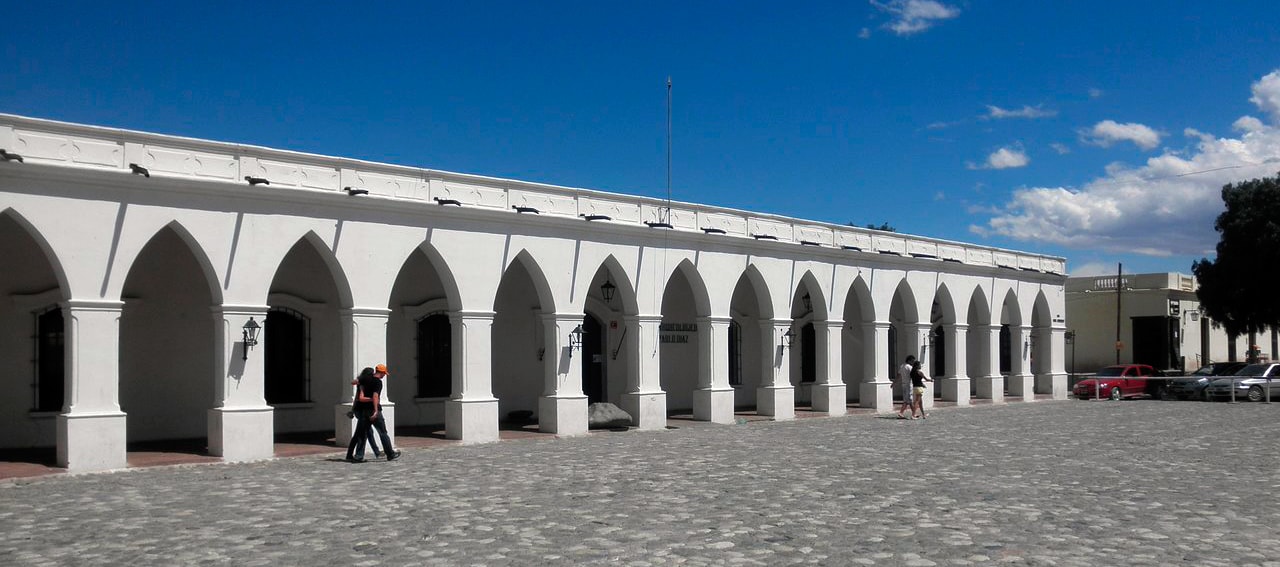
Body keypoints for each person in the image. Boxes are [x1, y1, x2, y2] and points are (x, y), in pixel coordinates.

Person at [366, 363, 401, 461]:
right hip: (373, 409)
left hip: (364, 409)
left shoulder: (367, 380)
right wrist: (376, 410)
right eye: (384, 373)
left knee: (364, 432)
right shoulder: (378, 382)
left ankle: (358, 455)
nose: (384, 375)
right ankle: (390, 453)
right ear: (380, 372)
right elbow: (375, 396)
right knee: (383, 432)